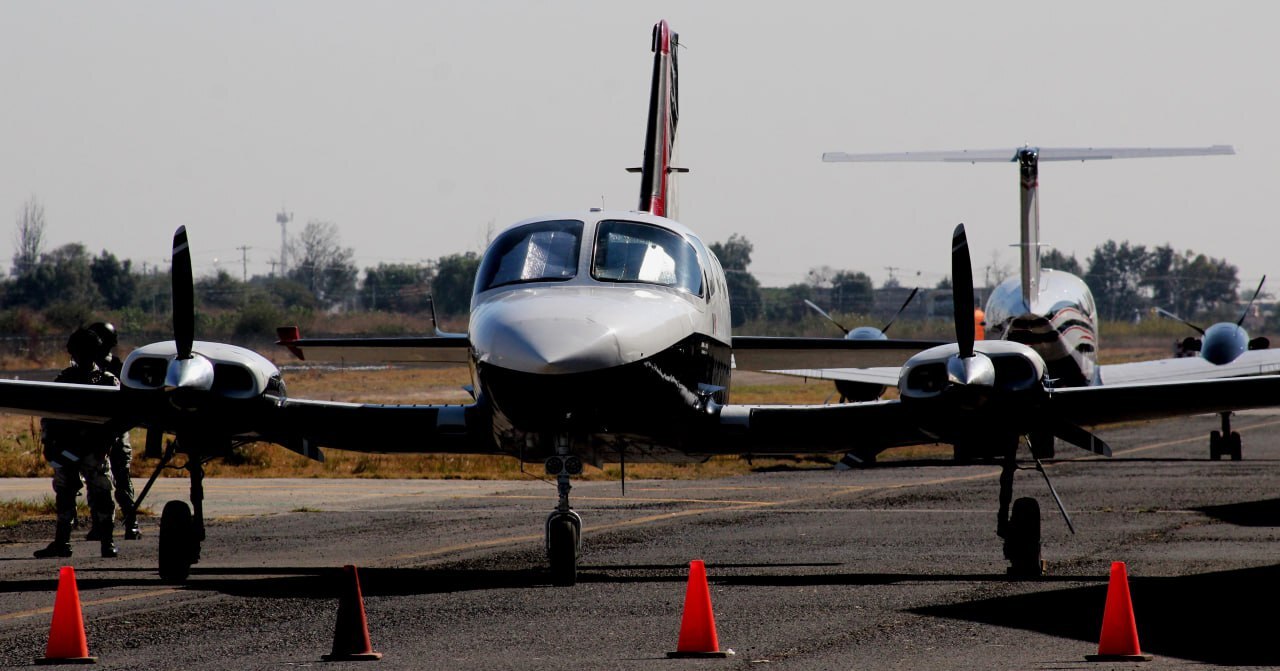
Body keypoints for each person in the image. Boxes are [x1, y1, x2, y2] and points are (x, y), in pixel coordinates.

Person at [33, 328, 120, 559]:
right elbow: (49, 416)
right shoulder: (66, 380)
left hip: (93, 449)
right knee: (66, 493)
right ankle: (64, 542)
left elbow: (118, 419)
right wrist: (49, 443)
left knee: (101, 493)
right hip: (68, 449)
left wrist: (107, 442)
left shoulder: (106, 382)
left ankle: (106, 541)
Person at [85, 321, 139, 540]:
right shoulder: (85, 370)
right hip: (96, 432)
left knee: (120, 478)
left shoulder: (119, 369)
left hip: (116, 431)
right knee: (98, 479)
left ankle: (130, 522)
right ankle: (101, 523)